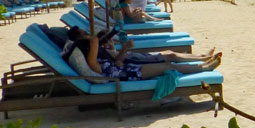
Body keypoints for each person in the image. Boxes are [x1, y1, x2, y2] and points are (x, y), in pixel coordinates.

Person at [63, 29, 220, 81]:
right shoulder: (93, 63)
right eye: (85, 35)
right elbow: (97, 62)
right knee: (169, 65)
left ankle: (203, 65)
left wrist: (112, 51)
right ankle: (204, 68)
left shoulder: (99, 58)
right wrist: (94, 40)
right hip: (127, 74)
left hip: (126, 68)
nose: (90, 36)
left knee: (168, 64)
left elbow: (114, 61)